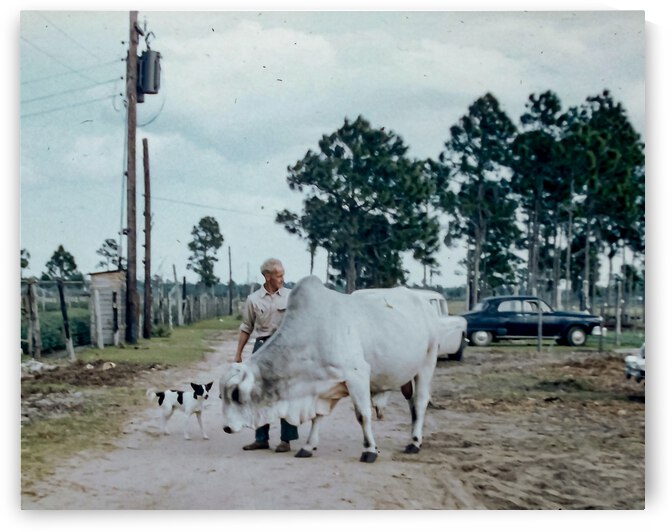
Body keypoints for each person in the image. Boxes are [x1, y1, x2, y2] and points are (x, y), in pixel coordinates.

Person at [234, 258, 299, 453]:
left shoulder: (290, 297)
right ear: (267, 276)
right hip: (261, 348)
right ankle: (261, 438)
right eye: (279, 276)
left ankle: (286, 440)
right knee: (259, 394)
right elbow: (246, 327)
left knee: (285, 394)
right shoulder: (254, 299)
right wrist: (238, 354)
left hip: (284, 349)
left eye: (283, 275)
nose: (282, 279)